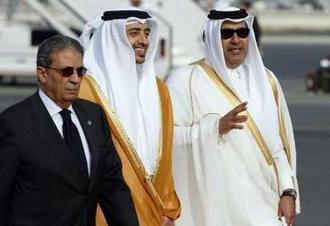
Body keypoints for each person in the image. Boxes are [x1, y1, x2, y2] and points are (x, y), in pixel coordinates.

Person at [167, 7, 300, 226]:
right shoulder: (185, 80)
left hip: (265, 206)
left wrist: (288, 191)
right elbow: (167, 141)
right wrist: (213, 129)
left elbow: (277, 147)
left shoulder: (267, 81)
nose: (236, 40)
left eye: (242, 32)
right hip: (213, 208)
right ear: (211, 36)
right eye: (226, 33)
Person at [0, 35, 138, 226]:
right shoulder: (14, 123)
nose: (75, 79)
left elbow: (113, 186)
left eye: (80, 71)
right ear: (42, 74)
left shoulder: (94, 115)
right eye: (66, 71)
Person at [79, 9, 180, 226]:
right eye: (134, 32)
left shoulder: (159, 90)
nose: (143, 40)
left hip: (153, 211)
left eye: (146, 33)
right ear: (112, 37)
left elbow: (165, 158)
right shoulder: (86, 90)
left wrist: (169, 209)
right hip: (103, 214)